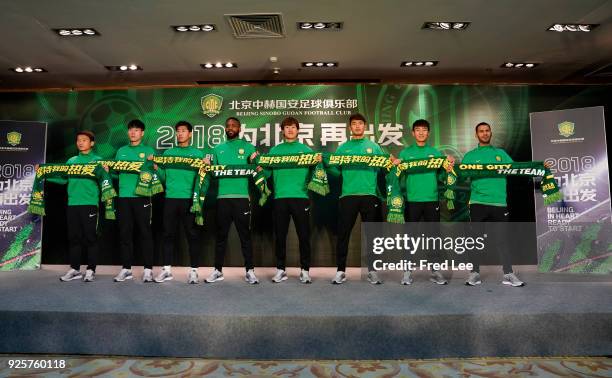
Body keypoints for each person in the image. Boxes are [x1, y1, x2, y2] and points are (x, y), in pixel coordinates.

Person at [462, 122, 524, 287]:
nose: (484, 133)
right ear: (476, 135)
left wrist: (540, 168)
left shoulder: (501, 154)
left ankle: (508, 274)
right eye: (481, 131)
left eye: (487, 130)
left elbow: (518, 169)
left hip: (499, 203)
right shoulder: (469, 156)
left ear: (491, 133)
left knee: (502, 240)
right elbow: (460, 175)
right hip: (477, 203)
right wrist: (449, 168)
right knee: (475, 240)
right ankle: (474, 273)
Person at [393, 119, 453, 285]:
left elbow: (442, 177)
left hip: (432, 200)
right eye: (417, 130)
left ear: (428, 133)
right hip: (412, 201)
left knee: (433, 236)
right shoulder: (405, 153)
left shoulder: (435, 153)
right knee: (409, 238)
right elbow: (398, 178)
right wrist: (395, 166)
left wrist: (447, 167)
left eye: (424, 130)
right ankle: (407, 271)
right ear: (412, 133)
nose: (421, 132)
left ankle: (434, 270)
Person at [329, 113, 384, 285]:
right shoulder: (343, 148)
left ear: (365, 126)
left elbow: (383, 168)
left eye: (360, 123)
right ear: (350, 127)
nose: (358, 126)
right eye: (354, 124)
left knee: (372, 235)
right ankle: (340, 271)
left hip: (369, 195)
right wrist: (342, 174)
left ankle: (372, 271)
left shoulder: (373, 147)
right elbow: (334, 169)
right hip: (348, 196)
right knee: (343, 234)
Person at [205, 117, 260, 284]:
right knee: (221, 236)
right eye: (228, 125)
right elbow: (209, 171)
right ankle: (217, 270)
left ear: (239, 128)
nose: (230, 128)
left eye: (233, 125)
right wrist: (206, 163)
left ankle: (249, 271)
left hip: (242, 198)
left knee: (245, 236)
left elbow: (257, 168)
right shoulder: (217, 149)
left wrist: (256, 161)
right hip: (222, 199)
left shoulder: (248, 147)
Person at [267, 117, 317, 284]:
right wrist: (259, 166)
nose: (290, 130)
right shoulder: (274, 151)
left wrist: (318, 163)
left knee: (304, 236)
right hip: (280, 198)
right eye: (287, 127)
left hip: (301, 197)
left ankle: (305, 270)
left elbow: (316, 174)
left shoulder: (307, 151)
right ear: (282, 130)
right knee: (280, 236)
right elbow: (267, 174)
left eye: (293, 127)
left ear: (298, 130)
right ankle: (281, 269)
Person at [154, 121, 205, 284]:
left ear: (190, 134)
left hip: (189, 200)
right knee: (168, 234)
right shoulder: (168, 153)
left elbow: (202, 179)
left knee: (192, 235)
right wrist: (157, 169)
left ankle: (194, 271)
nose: (180, 133)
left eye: (183, 131)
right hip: (170, 199)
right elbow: (164, 178)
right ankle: (167, 270)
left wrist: (206, 167)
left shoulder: (197, 154)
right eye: (178, 131)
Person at [113, 119, 156, 283]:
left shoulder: (149, 151)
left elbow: (155, 174)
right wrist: (108, 171)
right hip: (124, 197)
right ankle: (126, 269)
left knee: (145, 233)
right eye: (131, 129)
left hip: (142, 197)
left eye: (137, 130)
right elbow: (115, 174)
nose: (133, 132)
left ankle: (148, 270)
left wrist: (154, 166)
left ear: (142, 133)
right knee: (125, 234)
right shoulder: (121, 151)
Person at [56, 131, 102, 282]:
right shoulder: (71, 160)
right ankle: (75, 269)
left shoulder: (98, 160)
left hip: (89, 204)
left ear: (92, 143)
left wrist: (106, 172)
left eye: (84, 140)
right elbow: (63, 180)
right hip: (73, 204)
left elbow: (107, 180)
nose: (80, 143)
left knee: (90, 237)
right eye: (78, 140)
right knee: (74, 238)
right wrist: (43, 173)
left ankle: (90, 270)